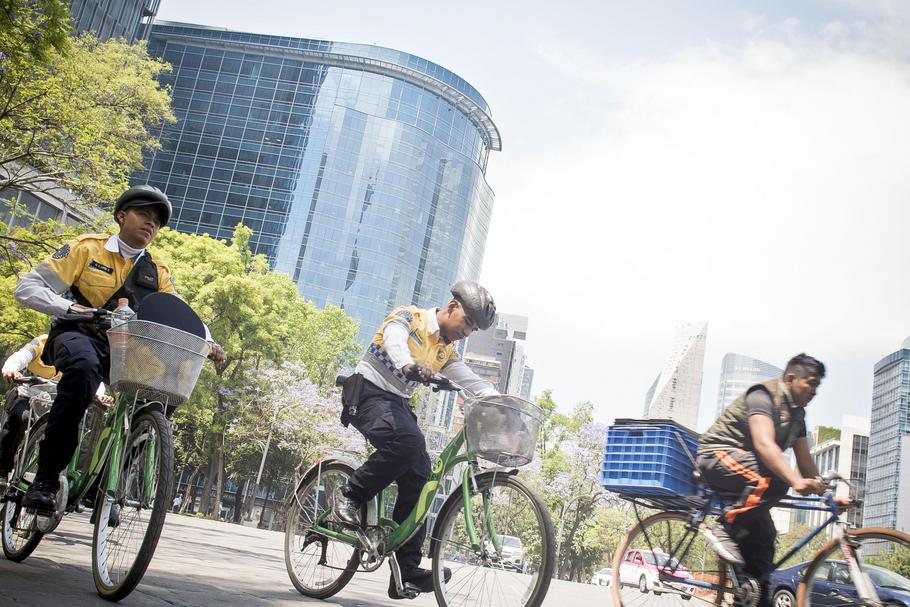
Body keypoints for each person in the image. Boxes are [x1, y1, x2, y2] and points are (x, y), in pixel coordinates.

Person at [13, 184, 225, 513]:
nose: (150, 224)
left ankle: (109, 484)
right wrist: (72, 309)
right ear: (122, 216)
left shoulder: (158, 272)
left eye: (157, 221)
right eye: (144, 215)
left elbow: (181, 314)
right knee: (82, 373)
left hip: (127, 349)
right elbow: (28, 288)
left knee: (163, 392)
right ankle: (45, 479)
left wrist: (208, 341)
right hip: (79, 335)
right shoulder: (86, 249)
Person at [333, 281, 499, 599]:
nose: (468, 332)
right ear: (452, 307)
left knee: (422, 477)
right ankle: (350, 495)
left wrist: (500, 401)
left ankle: (407, 571)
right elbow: (395, 340)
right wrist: (408, 364)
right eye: (467, 322)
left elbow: (474, 382)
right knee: (408, 443)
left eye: (474, 329)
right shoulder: (410, 317)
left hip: (396, 403)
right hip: (367, 392)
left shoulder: (445, 351)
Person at [696, 353, 827, 607]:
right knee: (778, 479)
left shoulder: (798, 417)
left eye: (818, 386)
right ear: (791, 378)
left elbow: (806, 463)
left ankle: (748, 596)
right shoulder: (763, 395)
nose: (814, 391)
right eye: (810, 383)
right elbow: (765, 445)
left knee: (764, 542)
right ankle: (725, 527)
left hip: (750, 476)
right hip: (716, 457)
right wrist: (796, 481)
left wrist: (830, 494)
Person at [0, 334, 111, 490]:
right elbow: (20, 357)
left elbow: (90, 375)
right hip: (28, 397)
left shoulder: (80, 352)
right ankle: (2, 469)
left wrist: (100, 394)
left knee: (68, 428)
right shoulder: (42, 343)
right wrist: (11, 370)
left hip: (56, 404)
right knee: (20, 418)